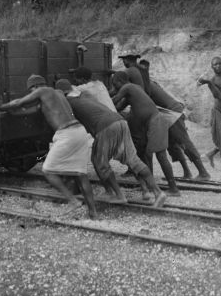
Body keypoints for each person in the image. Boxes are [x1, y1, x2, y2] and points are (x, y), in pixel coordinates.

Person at [0, 74, 98, 219]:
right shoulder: (57, 94)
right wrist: (12, 112)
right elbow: (28, 111)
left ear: (35, 87)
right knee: (81, 174)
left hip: (67, 134)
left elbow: (18, 103)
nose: (31, 93)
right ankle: (93, 212)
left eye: (31, 90)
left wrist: (0, 106)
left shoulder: (41, 91)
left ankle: (73, 201)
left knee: (48, 170)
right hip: (80, 132)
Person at [55, 79, 166, 207]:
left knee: (99, 162)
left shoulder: (68, 102)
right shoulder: (84, 95)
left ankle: (118, 195)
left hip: (105, 126)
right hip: (120, 120)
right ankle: (158, 192)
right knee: (133, 159)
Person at [110, 71, 180, 196]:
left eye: (115, 84)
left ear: (120, 81)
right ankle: (150, 184)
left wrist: (104, 99)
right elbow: (119, 106)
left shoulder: (128, 87)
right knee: (146, 154)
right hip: (153, 122)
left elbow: (115, 99)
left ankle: (173, 189)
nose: (114, 87)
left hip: (156, 121)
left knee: (160, 155)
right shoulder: (133, 92)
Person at [140, 58, 211, 181]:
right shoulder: (149, 83)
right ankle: (187, 172)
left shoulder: (146, 85)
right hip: (169, 113)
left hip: (173, 113)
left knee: (184, 142)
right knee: (173, 145)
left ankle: (203, 173)